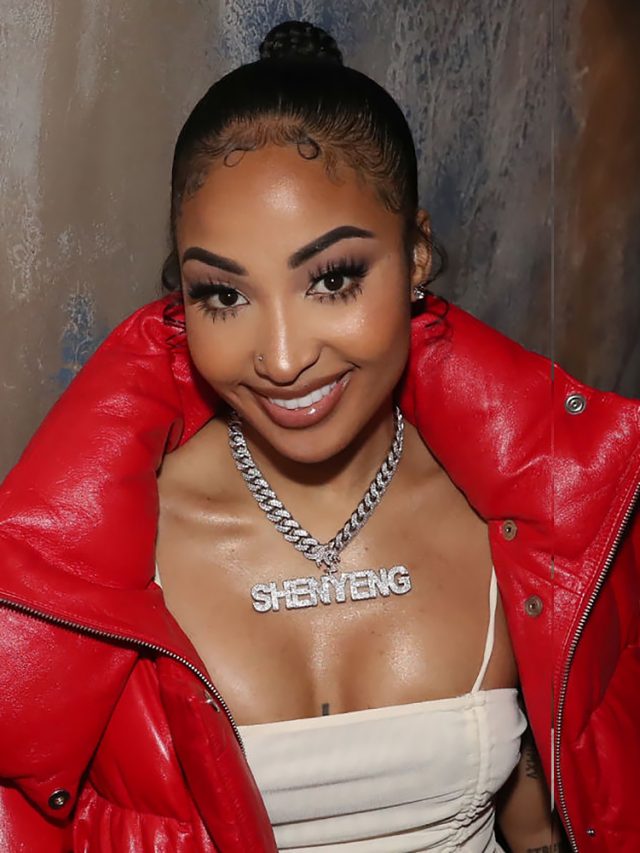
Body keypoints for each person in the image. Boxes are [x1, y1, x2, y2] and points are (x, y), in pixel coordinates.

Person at [0, 19, 638, 853]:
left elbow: (541, 805)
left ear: (416, 254)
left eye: (332, 279)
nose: (282, 357)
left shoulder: (529, 518)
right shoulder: (110, 563)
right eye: (224, 295)